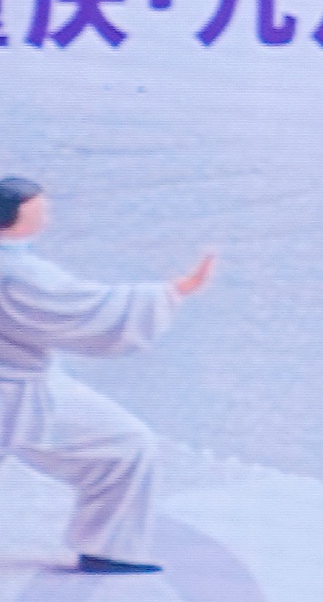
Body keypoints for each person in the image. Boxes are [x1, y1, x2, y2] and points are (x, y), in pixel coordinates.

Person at [0, 175, 214, 574]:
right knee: (128, 445)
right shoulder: (18, 274)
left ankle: (109, 547)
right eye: (41, 210)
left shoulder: (19, 267)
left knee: (125, 447)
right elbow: (85, 310)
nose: (48, 216)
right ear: (15, 219)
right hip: (16, 390)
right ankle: (109, 547)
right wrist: (172, 291)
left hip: (24, 381)